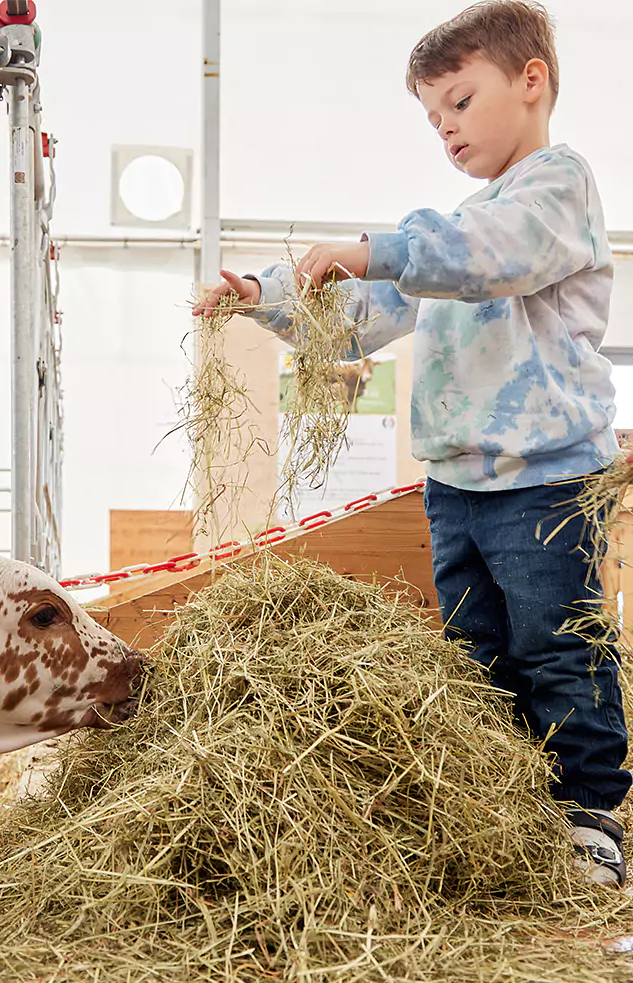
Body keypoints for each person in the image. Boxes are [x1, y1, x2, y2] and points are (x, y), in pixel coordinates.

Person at [194, 0, 629, 886]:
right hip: (457, 482)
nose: (447, 130)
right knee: (476, 650)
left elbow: (485, 256)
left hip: (544, 479)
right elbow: (361, 318)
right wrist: (268, 295)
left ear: (532, 80)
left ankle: (588, 813)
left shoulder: (553, 192)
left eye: (461, 102)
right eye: (434, 118)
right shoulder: (448, 235)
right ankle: (505, 802)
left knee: (559, 641)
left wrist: (371, 247)